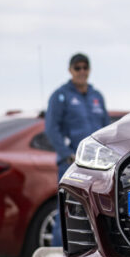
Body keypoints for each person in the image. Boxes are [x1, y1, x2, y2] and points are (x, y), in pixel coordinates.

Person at [45, 53, 110, 245]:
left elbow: (106, 129)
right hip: (72, 165)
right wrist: (67, 154)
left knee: (96, 212)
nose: (82, 71)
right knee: (67, 212)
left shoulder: (96, 96)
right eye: (77, 68)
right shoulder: (60, 96)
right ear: (70, 70)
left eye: (85, 67)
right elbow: (51, 128)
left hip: (97, 166)